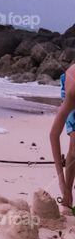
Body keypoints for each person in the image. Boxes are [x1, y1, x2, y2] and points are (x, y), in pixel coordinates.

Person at [50, 67, 75, 213]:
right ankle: (68, 197)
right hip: (70, 82)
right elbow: (54, 135)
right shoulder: (72, 94)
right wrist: (61, 182)